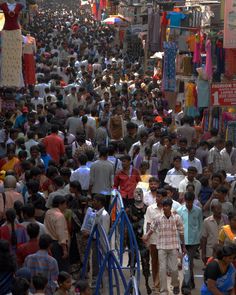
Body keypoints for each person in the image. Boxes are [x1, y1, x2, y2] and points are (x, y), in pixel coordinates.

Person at [143, 198, 186, 295]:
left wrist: (183, 246)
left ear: (170, 207)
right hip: (161, 247)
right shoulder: (158, 218)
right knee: (162, 270)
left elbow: (181, 232)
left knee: (174, 269)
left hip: (173, 246)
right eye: (164, 206)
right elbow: (152, 229)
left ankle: (175, 284)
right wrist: (146, 236)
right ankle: (163, 290)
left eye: (167, 206)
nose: (165, 208)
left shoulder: (176, 218)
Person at [127, 188, 151, 294]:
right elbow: (126, 226)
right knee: (132, 263)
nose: (138, 194)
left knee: (146, 264)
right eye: (136, 192)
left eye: (140, 193)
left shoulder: (147, 209)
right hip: (132, 240)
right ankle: (132, 285)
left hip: (144, 240)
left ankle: (147, 283)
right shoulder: (129, 209)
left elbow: (150, 224)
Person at [177, 192, 203, 290]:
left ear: (193, 201)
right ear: (185, 200)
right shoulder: (180, 210)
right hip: (183, 241)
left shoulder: (198, 210)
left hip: (194, 241)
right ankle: (190, 283)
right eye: (187, 202)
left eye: (190, 202)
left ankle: (186, 286)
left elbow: (200, 225)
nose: (189, 204)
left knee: (188, 263)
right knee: (188, 263)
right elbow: (177, 226)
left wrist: (199, 239)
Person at [44, 195, 69, 271]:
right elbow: (61, 234)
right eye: (64, 204)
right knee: (60, 267)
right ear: (60, 204)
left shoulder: (48, 212)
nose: (66, 206)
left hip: (48, 243)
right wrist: (64, 250)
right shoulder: (60, 216)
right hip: (58, 245)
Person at [201, 199, 228, 265]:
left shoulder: (226, 219)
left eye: (220, 208)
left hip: (223, 252)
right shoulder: (206, 221)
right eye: (217, 209)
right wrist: (203, 254)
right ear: (212, 210)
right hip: (210, 252)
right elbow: (204, 238)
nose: (219, 211)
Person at [89, 146, 114, 210]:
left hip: (96, 192)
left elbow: (91, 181)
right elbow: (112, 182)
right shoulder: (111, 165)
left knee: (95, 211)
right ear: (107, 154)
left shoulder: (93, 165)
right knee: (105, 211)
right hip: (107, 193)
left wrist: (89, 192)